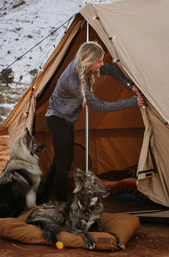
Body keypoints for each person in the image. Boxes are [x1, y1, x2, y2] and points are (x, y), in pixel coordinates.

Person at [37, 41, 144, 203]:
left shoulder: (84, 65)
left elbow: (113, 69)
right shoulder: (74, 82)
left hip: (65, 119)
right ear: (88, 61)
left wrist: (131, 86)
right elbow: (99, 107)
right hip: (57, 119)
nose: (102, 64)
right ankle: (61, 205)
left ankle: (42, 194)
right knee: (64, 164)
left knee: (60, 159)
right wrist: (133, 102)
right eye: (99, 61)